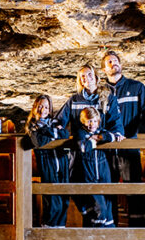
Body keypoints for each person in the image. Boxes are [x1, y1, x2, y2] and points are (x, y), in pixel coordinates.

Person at [55, 65, 122, 226]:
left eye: (89, 75)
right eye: (82, 76)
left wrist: (112, 136)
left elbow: (116, 123)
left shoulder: (107, 98)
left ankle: (109, 234)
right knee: (85, 192)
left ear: (97, 77)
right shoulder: (74, 100)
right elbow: (60, 120)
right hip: (82, 155)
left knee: (106, 195)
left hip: (103, 155)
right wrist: (57, 128)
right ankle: (90, 233)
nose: (86, 78)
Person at [101, 50, 145, 226]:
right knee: (107, 188)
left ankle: (137, 229)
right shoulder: (100, 92)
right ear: (104, 69)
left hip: (130, 147)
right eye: (109, 62)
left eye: (115, 60)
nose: (113, 64)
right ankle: (109, 228)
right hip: (107, 148)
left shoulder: (136, 87)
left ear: (121, 64)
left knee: (133, 187)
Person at [25, 95, 69, 228]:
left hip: (61, 160)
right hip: (47, 162)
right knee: (51, 198)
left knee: (64, 197)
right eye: (40, 106)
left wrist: (45, 130)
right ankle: (48, 228)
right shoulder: (32, 126)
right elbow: (39, 142)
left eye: (46, 107)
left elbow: (65, 135)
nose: (42, 109)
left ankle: (60, 228)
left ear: (49, 110)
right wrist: (54, 134)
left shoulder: (54, 123)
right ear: (34, 108)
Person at [73, 107, 116, 227]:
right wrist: (94, 142)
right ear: (83, 121)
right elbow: (82, 147)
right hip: (89, 172)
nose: (92, 124)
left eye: (95, 121)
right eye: (89, 121)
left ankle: (109, 236)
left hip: (103, 172)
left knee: (107, 206)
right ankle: (95, 237)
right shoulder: (81, 133)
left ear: (99, 121)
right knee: (98, 208)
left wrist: (97, 138)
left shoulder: (101, 131)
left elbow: (111, 137)